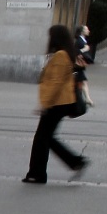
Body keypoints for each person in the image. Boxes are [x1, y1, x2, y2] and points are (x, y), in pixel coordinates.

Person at [23, 24, 88, 184]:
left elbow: (56, 82)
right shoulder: (66, 54)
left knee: (41, 138)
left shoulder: (60, 55)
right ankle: (74, 162)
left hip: (57, 102)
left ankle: (37, 174)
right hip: (62, 101)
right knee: (46, 137)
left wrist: (45, 104)